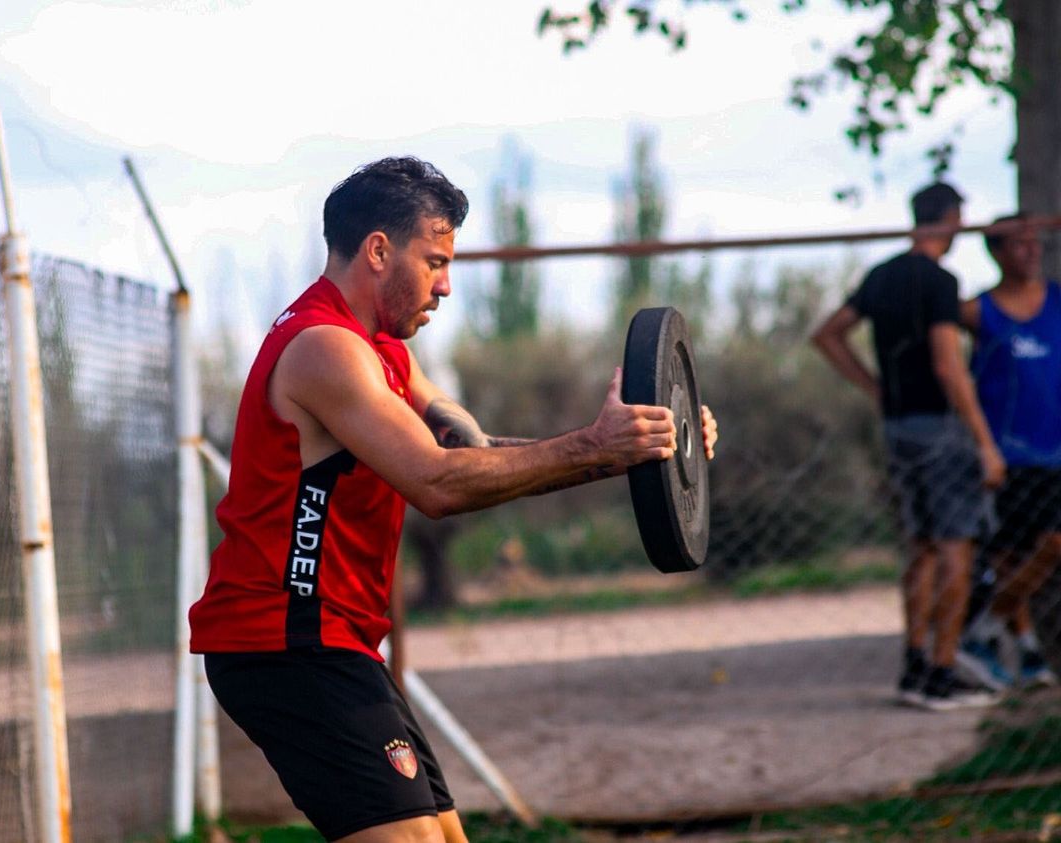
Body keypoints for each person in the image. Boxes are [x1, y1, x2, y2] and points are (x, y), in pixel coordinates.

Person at [188, 157, 718, 843]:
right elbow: (437, 482)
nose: (445, 286)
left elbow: (472, 448)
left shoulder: (384, 355)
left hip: (332, 643)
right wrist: (595, 445)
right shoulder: (325, 349)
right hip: (285, 644)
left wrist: (637, 451)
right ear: (379, 249)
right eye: (435, 260)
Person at [811, 181, 1005, 711]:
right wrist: (985, 442)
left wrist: (876, 388)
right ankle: (942, 673)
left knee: (919, 547)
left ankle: (914, 664)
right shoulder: (940, 281)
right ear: (950, 218)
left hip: (897, 427)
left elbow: (828, 334)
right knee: (954, 547)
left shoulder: (881, 276)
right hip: (941, 427)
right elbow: (948, 364)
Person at [956, 215, 1060, 690]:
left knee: (1051, 547)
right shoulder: (979, 311)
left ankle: (983, 630)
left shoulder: (1056, 301)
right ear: (996, 252)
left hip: (1054, 450)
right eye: (1018, 244)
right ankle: (1030, 652)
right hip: (1007, 455)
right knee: (1009, 559)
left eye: (1034, 242)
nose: (1031, 251)